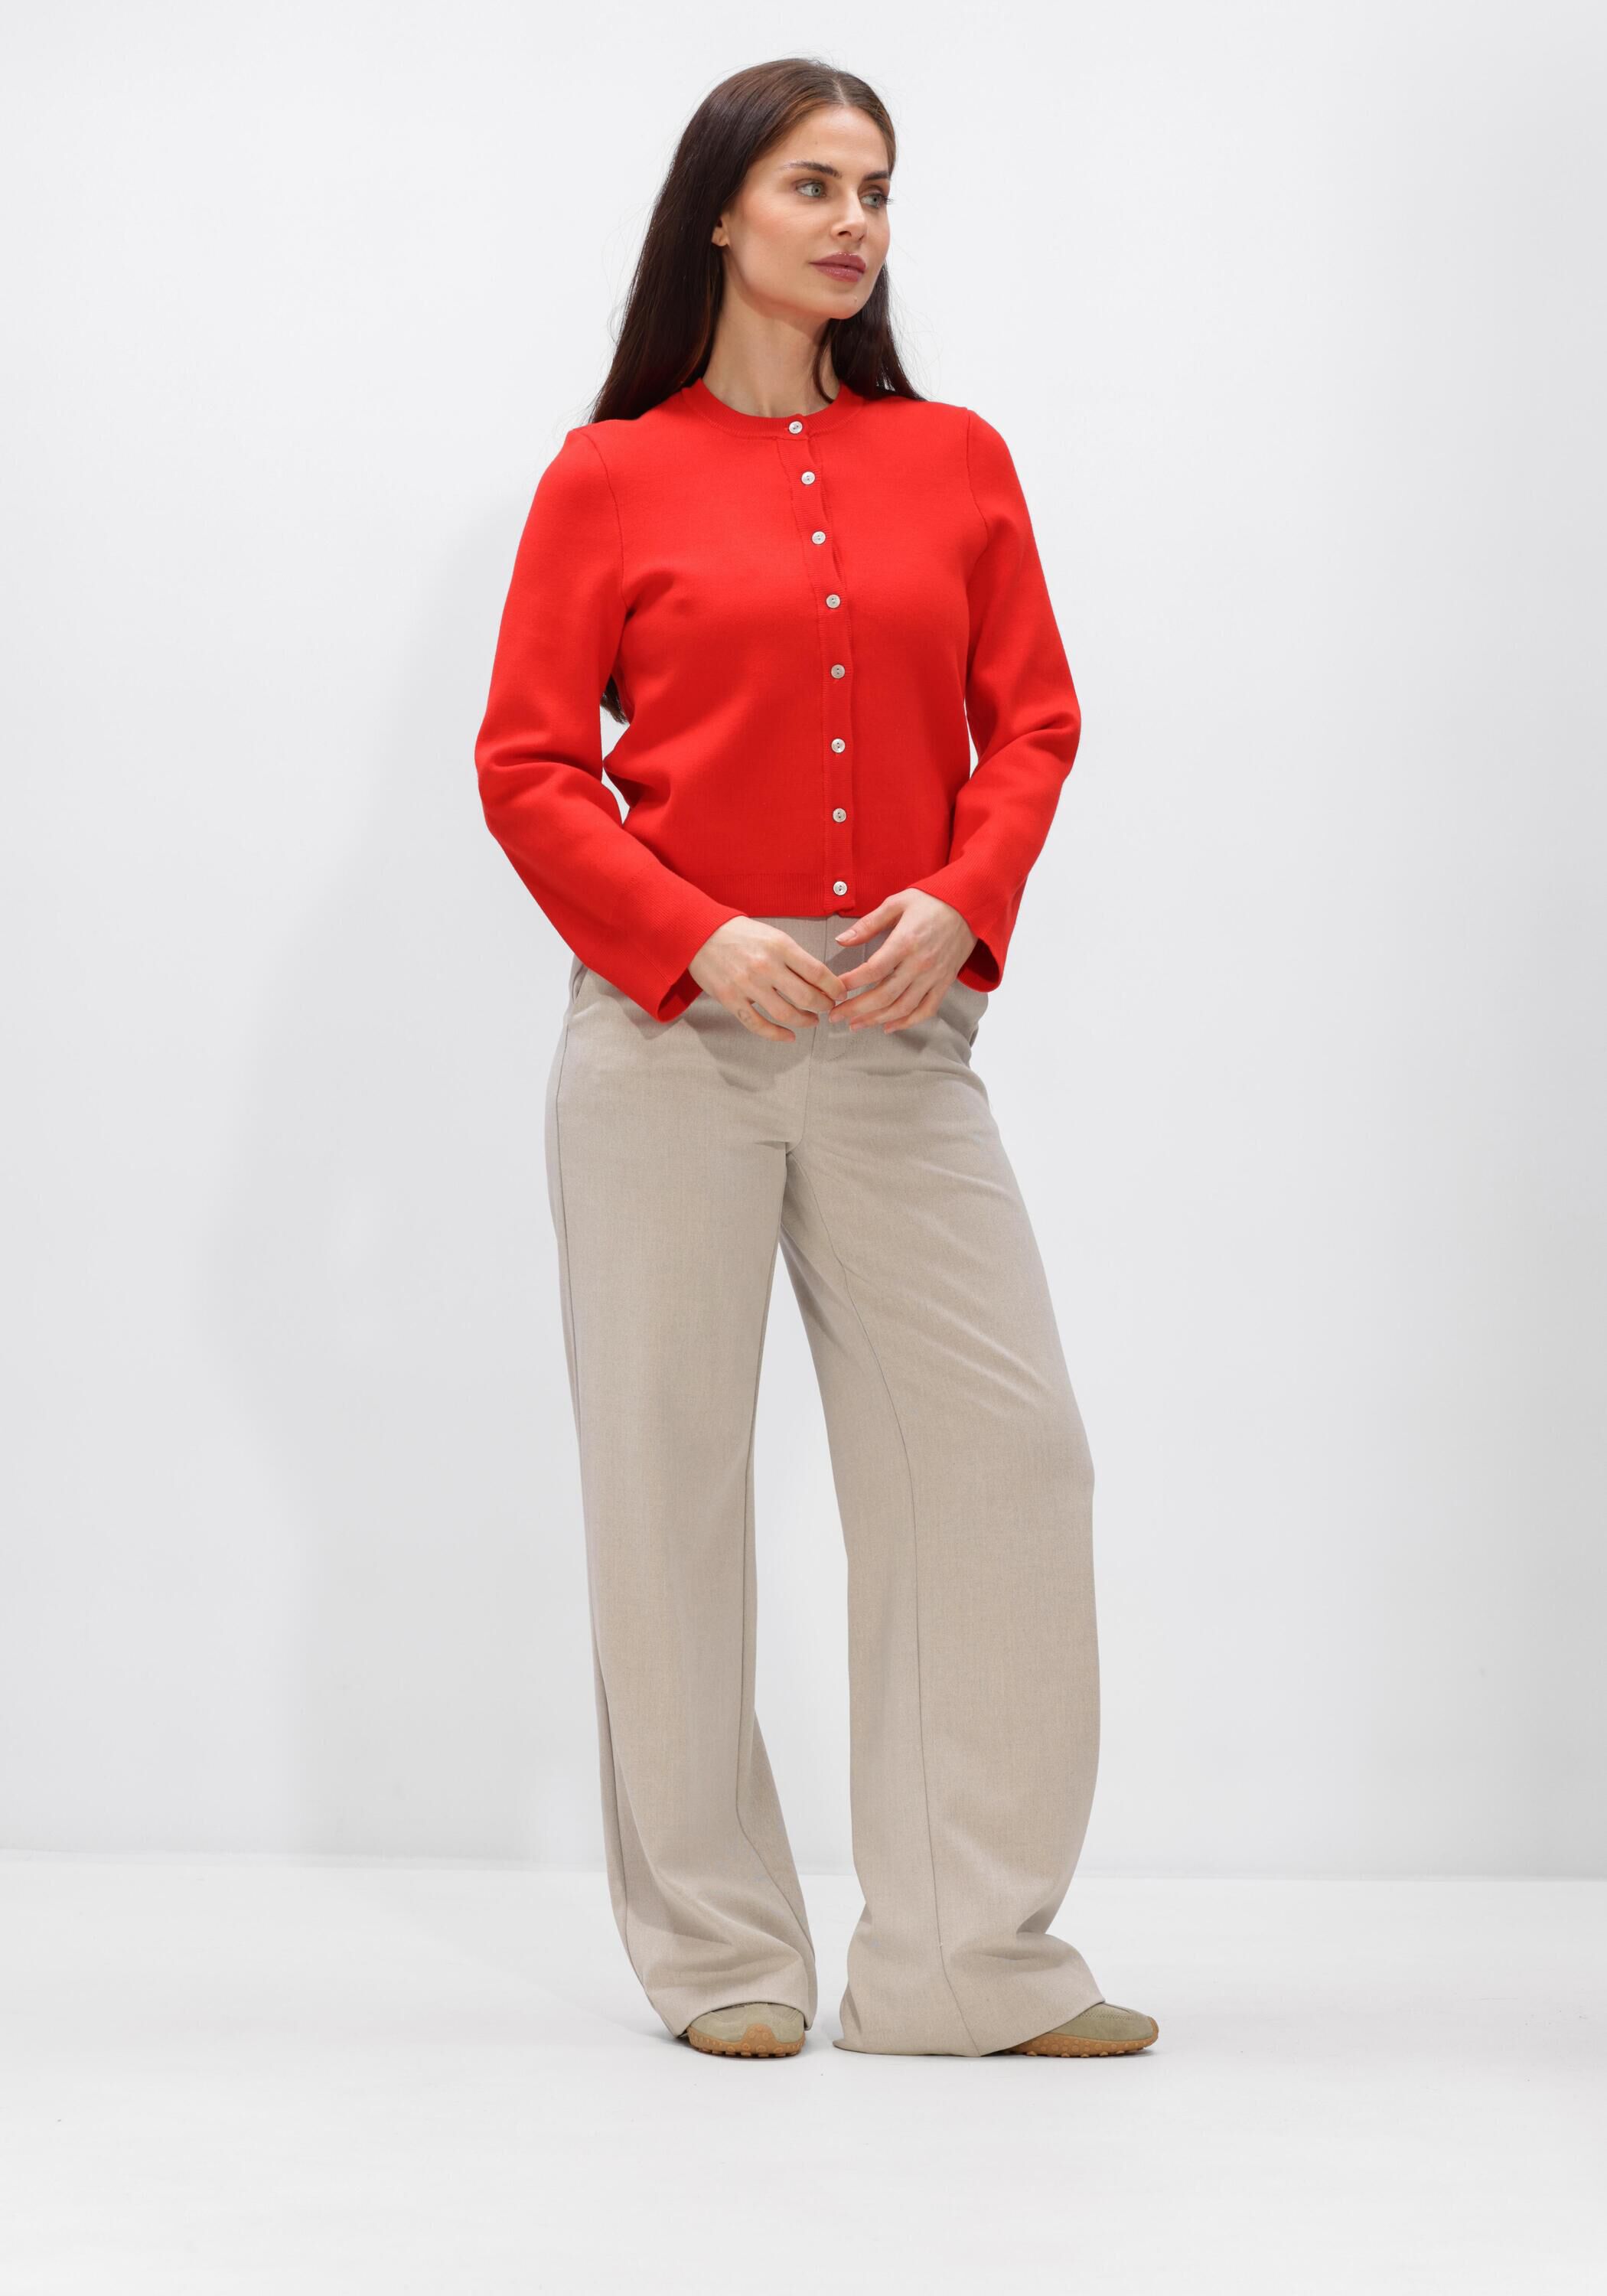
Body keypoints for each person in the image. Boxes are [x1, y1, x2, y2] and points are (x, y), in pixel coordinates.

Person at [473, 56, 1158, 2063]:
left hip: (900, 1044)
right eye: (811, 185)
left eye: (875, 189)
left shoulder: (954, 459)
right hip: (665, 1045)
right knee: (668, 1493)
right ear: (720, 210)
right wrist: (690, 934)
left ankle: (962, 1964)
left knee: (1007, 1461)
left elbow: (1036, 721)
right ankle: (721, 1958)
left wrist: (960, 897)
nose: (854, 221)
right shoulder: (608, 477)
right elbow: (528, 766)